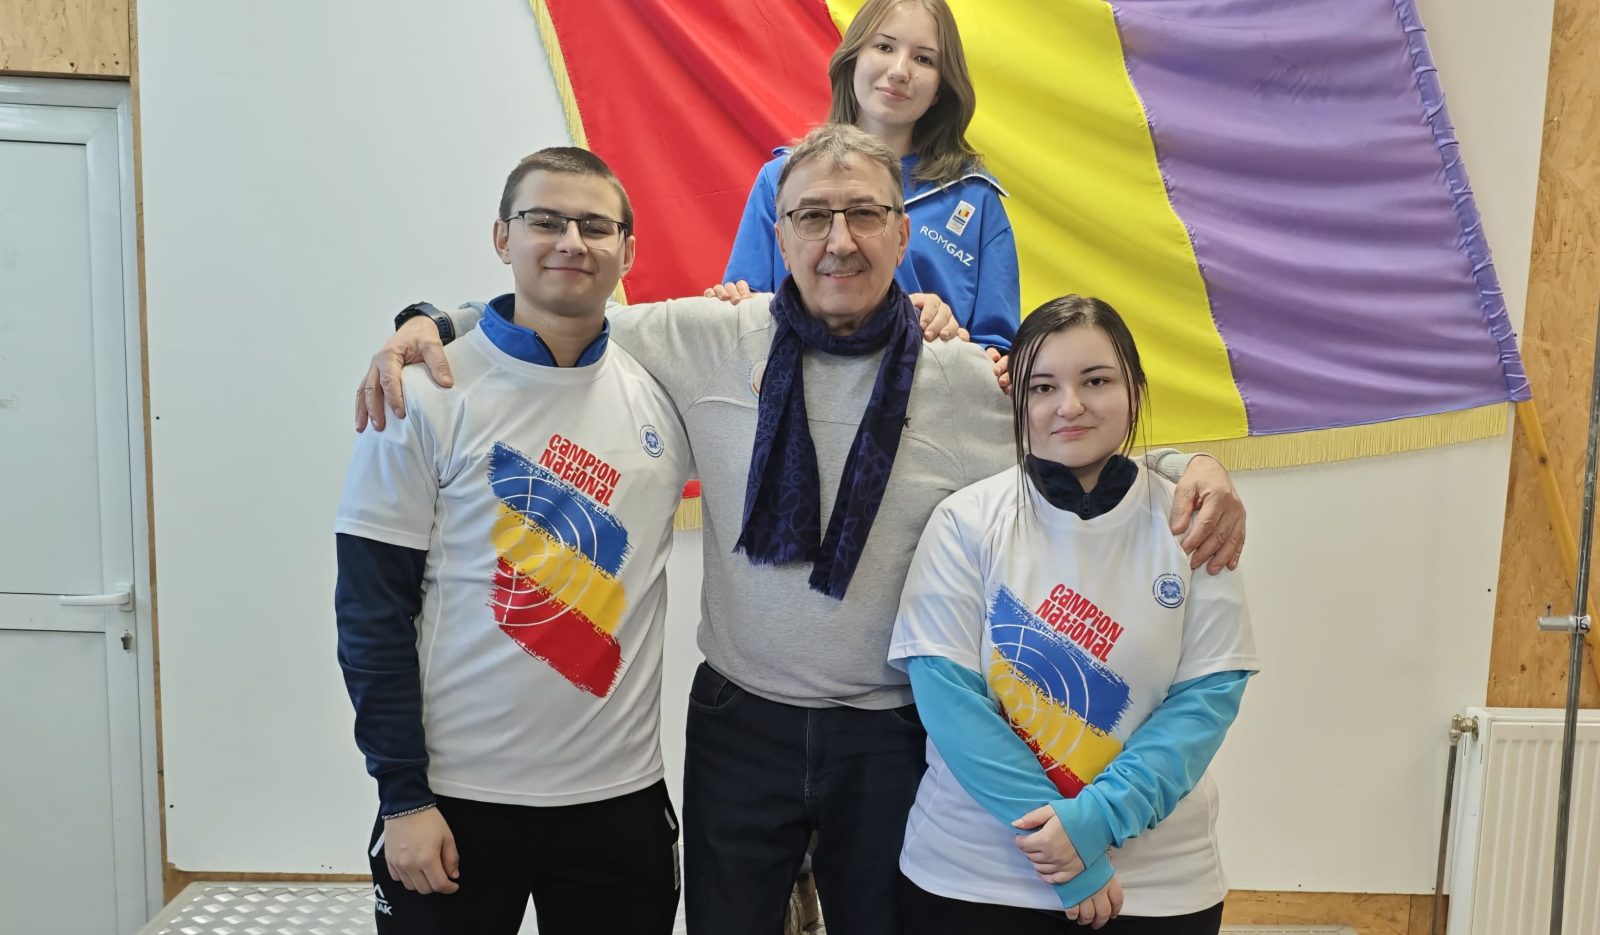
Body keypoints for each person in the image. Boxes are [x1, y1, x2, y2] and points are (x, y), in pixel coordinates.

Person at [355, 124, 1246, 935]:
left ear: (902, 232)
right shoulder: (704, 336)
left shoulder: (963, 379)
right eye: (813, 216)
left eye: (864, 214)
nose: (838, 239)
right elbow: (560, 305)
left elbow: (1074, 428)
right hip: (740, 722)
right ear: (778, 235)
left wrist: (1188, 468)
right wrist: (432, 324)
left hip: (889, 734)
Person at [334, 147, 693, 934]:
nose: (571, 241)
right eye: (545, 220)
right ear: (503, 237)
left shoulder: (665, 392)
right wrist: (403, 796)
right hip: (454, 802)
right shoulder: (422, 393)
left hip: (619, 802)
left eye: (595, 226)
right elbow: (370, 613)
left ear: (628, 250)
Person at [889, 295, 1258, 933]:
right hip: (975, 877)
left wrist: (1096, 822)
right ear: (1017, 402)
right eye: (1043, 387)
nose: (1070, 405)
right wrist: (1067, 858)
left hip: (1157, 885)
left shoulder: (1194, 523)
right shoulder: (964, 521)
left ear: (1136, 391)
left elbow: (1205, 700)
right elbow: (949, 701)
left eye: (1096, 381)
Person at [710, 0, 1020, 352]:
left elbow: (997, 353)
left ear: (941, 86)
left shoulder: (974, 199)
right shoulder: (780, 180)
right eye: (885, 47)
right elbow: (744, 329)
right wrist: (729, 307)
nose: (900, 71)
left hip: (927, 387)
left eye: (924, 59)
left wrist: (956, 342)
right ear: (853, 57)